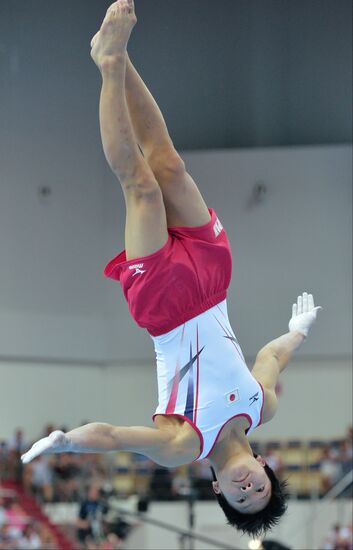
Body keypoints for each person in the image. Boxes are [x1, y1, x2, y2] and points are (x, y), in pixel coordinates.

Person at [21, 0, 322, 537]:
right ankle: (115, 55)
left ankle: (110, 63)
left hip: (165, 306)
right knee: (169, 161)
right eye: (260, 488)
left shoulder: (185, 445)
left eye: (240, 498)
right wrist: (297, 332)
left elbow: (114, 436)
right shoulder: (262, 408)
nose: (248, 487)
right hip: (214, 280)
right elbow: (271, 356)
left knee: (139, 184)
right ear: (264, 469)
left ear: (218, 489)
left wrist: (66, 440)